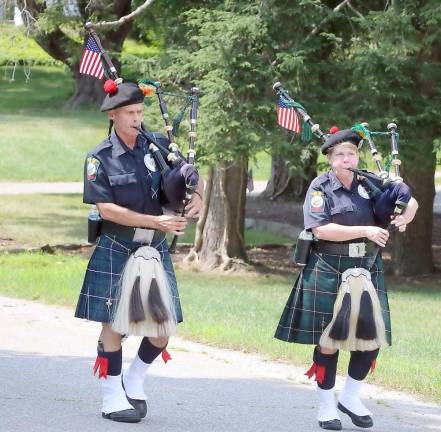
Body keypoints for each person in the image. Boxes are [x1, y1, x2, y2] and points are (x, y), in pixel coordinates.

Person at [75, 81, 203, 423]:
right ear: (113, 115)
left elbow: (191, 176)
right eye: (130, 113)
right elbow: (106, 209)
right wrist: (155, 220)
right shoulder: (99, 158)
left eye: (140, 112)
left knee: (162, 329)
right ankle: (111, 395)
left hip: (155, 248)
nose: (137, 118)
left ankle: (134, 379)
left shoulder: (159, 147)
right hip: (118, 244)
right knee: (114, 325)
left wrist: (198, 198)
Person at [275, 128, 418, 430]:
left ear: (357, 156)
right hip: (328, 264)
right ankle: (326, 404)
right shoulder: (319, 187)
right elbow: (320, 229)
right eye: (339, 155)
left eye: (351, 153)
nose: (346, 159)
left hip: (366, 266)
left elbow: (407, 197)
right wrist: (365, 230)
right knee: (329, 340)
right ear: (329, 159)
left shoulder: (369, 184)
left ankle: (351, 397)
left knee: (370, 339)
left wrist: (406, 215)